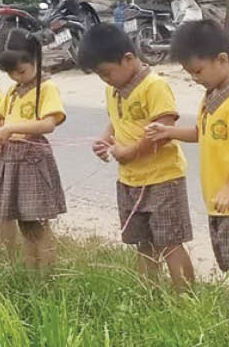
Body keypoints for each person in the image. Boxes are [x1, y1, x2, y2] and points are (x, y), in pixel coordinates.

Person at [146, 20, 229, 331]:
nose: (195, 78)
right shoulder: (212, 96)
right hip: (221, 204)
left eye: (198, 71)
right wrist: (169, 131)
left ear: (222, 60)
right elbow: (202, 132)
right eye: (190, 73)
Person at [77, 24, 195, 292]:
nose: (105, 80)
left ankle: (186, 301)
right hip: (130, 180)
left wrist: (129, 152)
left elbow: (163, 129)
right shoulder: (113, 89)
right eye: (99, 75)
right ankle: (148, 295)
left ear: (128, 59)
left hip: (163, 179)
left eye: (107, 73)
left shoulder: (155, 87)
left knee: (170, 243)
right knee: (143, 243)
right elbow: (116, 120)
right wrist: (106, 139)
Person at [0, 28, 67, 272]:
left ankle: (48, 275)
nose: (17, 77)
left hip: (32, 160)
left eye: (21, 71)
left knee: (37, 223)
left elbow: (48, 123)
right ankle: (32, 272)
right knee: (24, 223)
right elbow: (2, 120)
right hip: (12, 160)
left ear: (36, 60)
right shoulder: (13, 91)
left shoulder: (46, 88)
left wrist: (12, 130)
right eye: (11, 73)